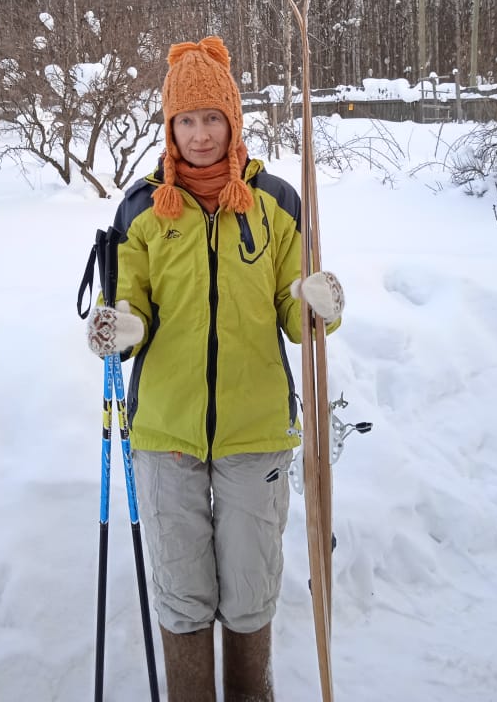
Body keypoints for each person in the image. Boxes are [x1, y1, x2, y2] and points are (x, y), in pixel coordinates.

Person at [85, 36, 344, 702]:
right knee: (181, 589)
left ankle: (250, 693)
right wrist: (122, 327)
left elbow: (298, 318)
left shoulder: (277, 202)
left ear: (234, 121)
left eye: (212, 118)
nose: (200, 134)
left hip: (255, 430)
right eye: (185, 120)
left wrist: (319, 304)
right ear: (169, 127)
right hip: (164, 431)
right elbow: (128, 299)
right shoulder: (142, 210)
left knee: (252, 586)